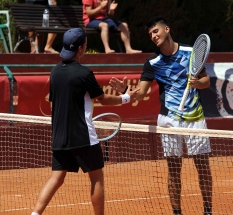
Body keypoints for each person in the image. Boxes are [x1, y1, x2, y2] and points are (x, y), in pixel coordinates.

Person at [109, 16, 213, 215]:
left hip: (194, 117)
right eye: (150, 35)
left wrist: (197, 84)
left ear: (166, 29)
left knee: (202, 166)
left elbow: (206, 81)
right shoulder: (152, 63)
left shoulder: (190, 52)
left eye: (155, 31)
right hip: (168, 120)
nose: (153, 36)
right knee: (174, 169)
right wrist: (126, 91)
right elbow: (141, 92)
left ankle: (208, 211)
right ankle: (176, 212)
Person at [30, 27, 139, 215]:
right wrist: (126, 97)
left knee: (56, 177)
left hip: (60, 136)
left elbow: (55, 103)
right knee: (96, 178)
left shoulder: (54, 72)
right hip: (83, 137)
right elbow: (102, 99)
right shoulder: (84, 73)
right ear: (81, 48)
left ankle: (35, 214)